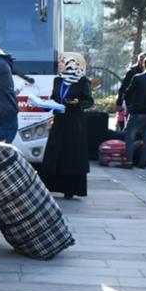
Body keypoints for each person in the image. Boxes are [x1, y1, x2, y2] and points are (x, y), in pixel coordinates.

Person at [39, 53, 92, 197]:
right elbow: (55, 98)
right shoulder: (58, 81)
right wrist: (45, 104)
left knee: (71, 155)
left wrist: (77, 103)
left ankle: (70, 189)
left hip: (74, 123)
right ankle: (51, 187)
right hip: (59, 122)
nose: (59, 64)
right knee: (55, 153)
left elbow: (89, 101)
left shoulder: (82, 81)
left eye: (62, 62)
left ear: (70, 64)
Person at [122, 56, 146, 169]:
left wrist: (130, 106)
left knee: (130, 135)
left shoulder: (137, 77)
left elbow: (128, 93)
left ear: (143, 65)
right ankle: (142, 162)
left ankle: (129, 161)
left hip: (137, 111)